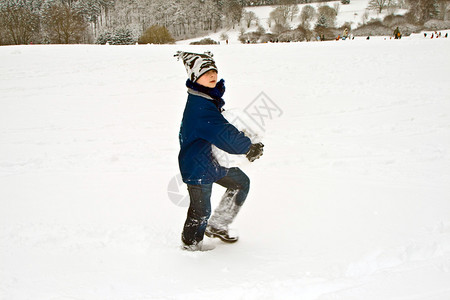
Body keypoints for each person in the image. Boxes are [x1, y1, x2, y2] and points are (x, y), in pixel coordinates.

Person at [174, 51, 264, 251]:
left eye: (214, 70)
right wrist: (249, 147)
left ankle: (217, 225)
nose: (212, 75)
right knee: (200, 210)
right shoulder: (201, 107)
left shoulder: (206, 99)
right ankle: (190, 245)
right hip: (197, 167)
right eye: (206, 72)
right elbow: (224, 135)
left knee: (241, 183)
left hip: (212, 162)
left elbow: (221, 128)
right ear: (195, 77)